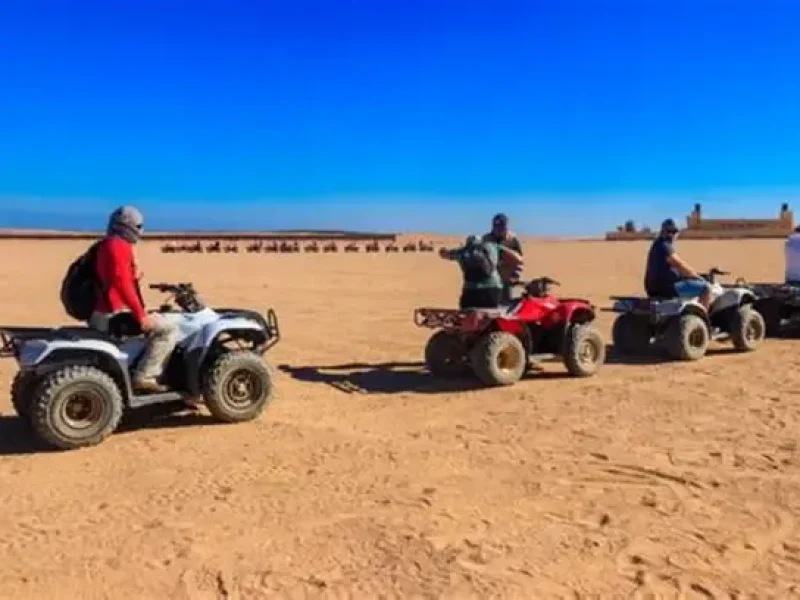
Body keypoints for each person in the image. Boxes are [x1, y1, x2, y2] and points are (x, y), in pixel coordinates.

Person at [88, 206, 178, 393]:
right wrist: (140, 315)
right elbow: (121, 283)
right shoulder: (118, 245)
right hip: (113, 312)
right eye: (138, 226)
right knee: (168, 330)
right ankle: (146, 375)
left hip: (102, 310)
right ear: (129, 226)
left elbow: (116, 277)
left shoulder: (107, 244)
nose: (140, 230)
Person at [439, 234, 524, 309]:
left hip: (471, 290)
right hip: (493, 290)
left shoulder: (462, 251)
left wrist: (443, 251)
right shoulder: (493, 246)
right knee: (492, 318)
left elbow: (444, 255)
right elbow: (518, 259)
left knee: (468, 317)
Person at [644, 218, 712, 310]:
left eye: (674, 231)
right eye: (669, 231)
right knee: (706, 288)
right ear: (663, 231)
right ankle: (704, 320)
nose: (671, 234)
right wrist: (697, 277)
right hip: (667, 287)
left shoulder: (657, 245)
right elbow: (679, 264)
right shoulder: (665, 246)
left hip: (653, 287)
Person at [482, 213, 523, 301]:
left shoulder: (512, 239)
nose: (499, 228)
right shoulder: (486, 239)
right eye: (496, 225)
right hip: (491, 278)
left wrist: (516, 275)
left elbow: (520, 259)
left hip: (507, 277)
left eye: (502, 225)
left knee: (506, 303)